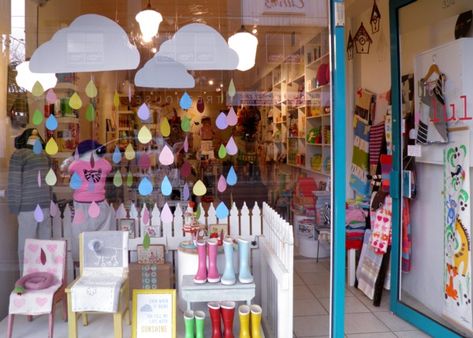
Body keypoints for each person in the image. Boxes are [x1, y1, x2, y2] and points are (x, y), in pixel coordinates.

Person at [8, 128, 51, 274]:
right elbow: (49, 182)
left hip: (28, 207)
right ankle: (44, 279)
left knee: (26, 248)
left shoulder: (19, 155)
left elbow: (15, 183)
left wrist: (13, 206)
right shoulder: (45, 155)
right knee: (44, 246)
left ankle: (26, 282)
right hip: (44, 205)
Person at [68, 140, 114, 261]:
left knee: (79, 234)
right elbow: (108, 169)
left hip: (81, 204)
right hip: (100, 202)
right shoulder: (105, 164)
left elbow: (70, 170)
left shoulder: (75, 165)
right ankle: (102, 260)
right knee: (102, 232)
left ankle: (79, 260)